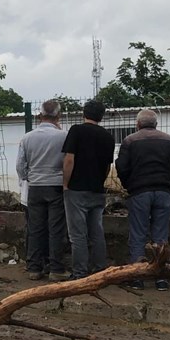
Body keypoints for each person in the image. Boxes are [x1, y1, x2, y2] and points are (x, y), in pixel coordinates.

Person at [115, 109, 170, 291]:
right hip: (163, 192)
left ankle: (137, 277)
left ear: (138, 124)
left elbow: (121, 167)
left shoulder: (129, 141)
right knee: (160, 235)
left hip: (139, 192)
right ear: (156, 124)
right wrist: (169, 181)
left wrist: (129, 184)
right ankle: (161, 278)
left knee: (138, 234)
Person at [62, 99, 115, 280]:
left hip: (77, 190)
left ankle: (80, 273)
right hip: (97, 190)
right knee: (97, 232)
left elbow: (69, 159)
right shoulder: (108, 137)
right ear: (101, 116)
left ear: (84, 113)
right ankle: (100, 270)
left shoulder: (76, 131)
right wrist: (99, 181)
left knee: (77, 235)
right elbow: (107, 166)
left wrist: (66, 184)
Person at [16, 100, 68, 281]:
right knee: (56, 229)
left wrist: (29, 177)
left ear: (40, 116)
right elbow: (69, 162)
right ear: (58, 116)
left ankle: (34, 268)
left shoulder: (27, 138)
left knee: (35, 228)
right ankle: (56, 269)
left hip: (35, 187)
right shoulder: (64, 136)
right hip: (56, 186)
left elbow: (20, 166)